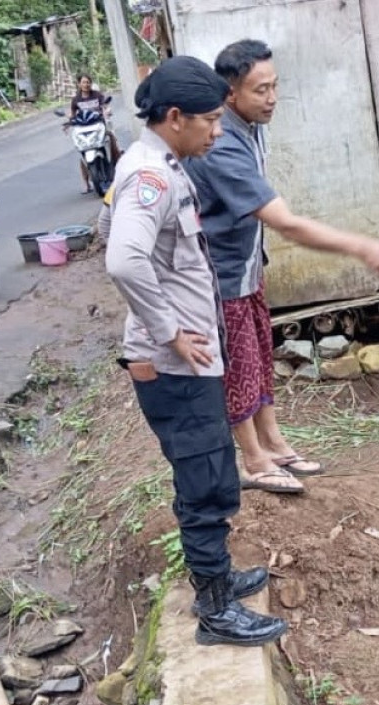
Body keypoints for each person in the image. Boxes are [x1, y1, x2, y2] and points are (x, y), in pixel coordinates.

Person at [103, 56, 287, 647]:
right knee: (205, 481)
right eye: (209, 120)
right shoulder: (149, 177)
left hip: (190, 361)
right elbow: (125, 259)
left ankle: (219, 580)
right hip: (175, 366)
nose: (217, 130)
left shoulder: (169, 163)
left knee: (208, 477)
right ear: (175, 117)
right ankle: (215, 614)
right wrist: (169, 331)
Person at [184, 39, 379, 495]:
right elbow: (285, 223)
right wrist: (360, 247)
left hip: (246, 265)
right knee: (238, 365)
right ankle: (251, 460)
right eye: (259, 90)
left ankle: (273, 443)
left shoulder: (249, 125)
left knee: (259, 359)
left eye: (274, 86)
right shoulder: (222, 143)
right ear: (230, 94)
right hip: (220, 275)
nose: (271, 98)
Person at [66, 75, 122, 194]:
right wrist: (68, 122)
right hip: (84, 130)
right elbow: (72, 114)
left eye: (88, 82)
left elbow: (105, 106)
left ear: (90, 83)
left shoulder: (97, 95)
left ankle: (121, 170)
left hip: (98, 126)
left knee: (112, 142)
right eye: (83, 82)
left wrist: (107, 111)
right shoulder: (76, 100)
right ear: (79, 84)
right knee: (82, 155)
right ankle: (86, 184)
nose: (86, 84)